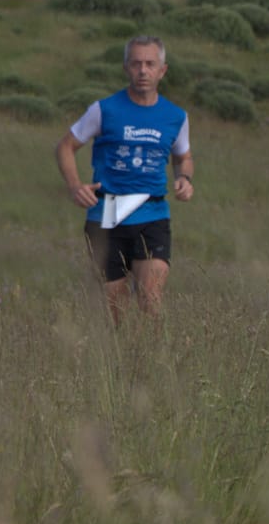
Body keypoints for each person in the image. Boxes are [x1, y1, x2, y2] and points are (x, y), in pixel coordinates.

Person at [54, 36, 194, 321]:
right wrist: (75, 187)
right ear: (126, 68)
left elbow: (183, 157)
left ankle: (149, 362)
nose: (143, 71)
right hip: (107, 211)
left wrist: (185, 178)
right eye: (136, 64)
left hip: (152, 212)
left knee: (151, 299)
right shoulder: (104, 110)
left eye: (150, 64)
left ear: (162, 70)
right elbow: (65, 147)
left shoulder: (175, 116)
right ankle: (118, 360)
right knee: (114, 309)